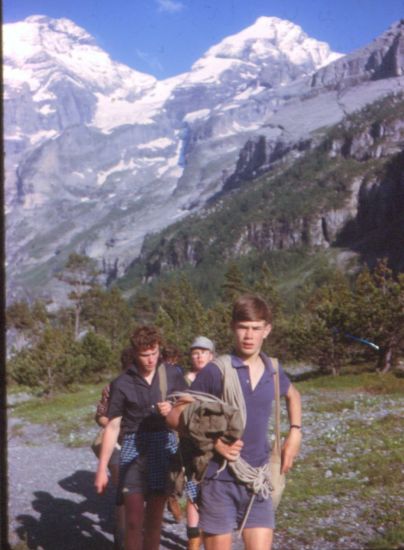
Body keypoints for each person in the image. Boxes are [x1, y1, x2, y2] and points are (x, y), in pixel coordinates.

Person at [168, 294, 302, 550]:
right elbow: (175, 414)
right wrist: (213, 442)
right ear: (232, 328)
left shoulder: (273, 369)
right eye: (243, 327)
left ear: (267, 330)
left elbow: (293, 395)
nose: (249, 336)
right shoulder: (216, 371)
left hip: (257, 480)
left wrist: (295, 433)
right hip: (218, 479)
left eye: (255, 328)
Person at [94, 325, 186, 550]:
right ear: (135, 352)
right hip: (132, 447)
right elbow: (113, 425)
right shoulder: (122, 382)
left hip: (163, 446)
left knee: (154, 521)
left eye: (154, 353)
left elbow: (189, 405)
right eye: (145, 355)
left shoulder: (172, 373)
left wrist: (173, 408)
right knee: (134, 520)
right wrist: (102, 468)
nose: (151, 359)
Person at [95, 347, 134, 549]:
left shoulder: (149, 387)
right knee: (125, 495)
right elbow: (100, 414)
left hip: (139, 446)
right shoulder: (113, 387)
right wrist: (113, 423)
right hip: (117, 445)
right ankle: (121, 542)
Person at [184, 336, 215, 549]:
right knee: (193, 491)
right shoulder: (184, 380)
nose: (199, 356)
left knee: (213, 493)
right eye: (196, 353)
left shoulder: (219, 378)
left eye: (203, 352)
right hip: (190, 444)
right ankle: (193, 542)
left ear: (211, 356)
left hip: (215, 444)